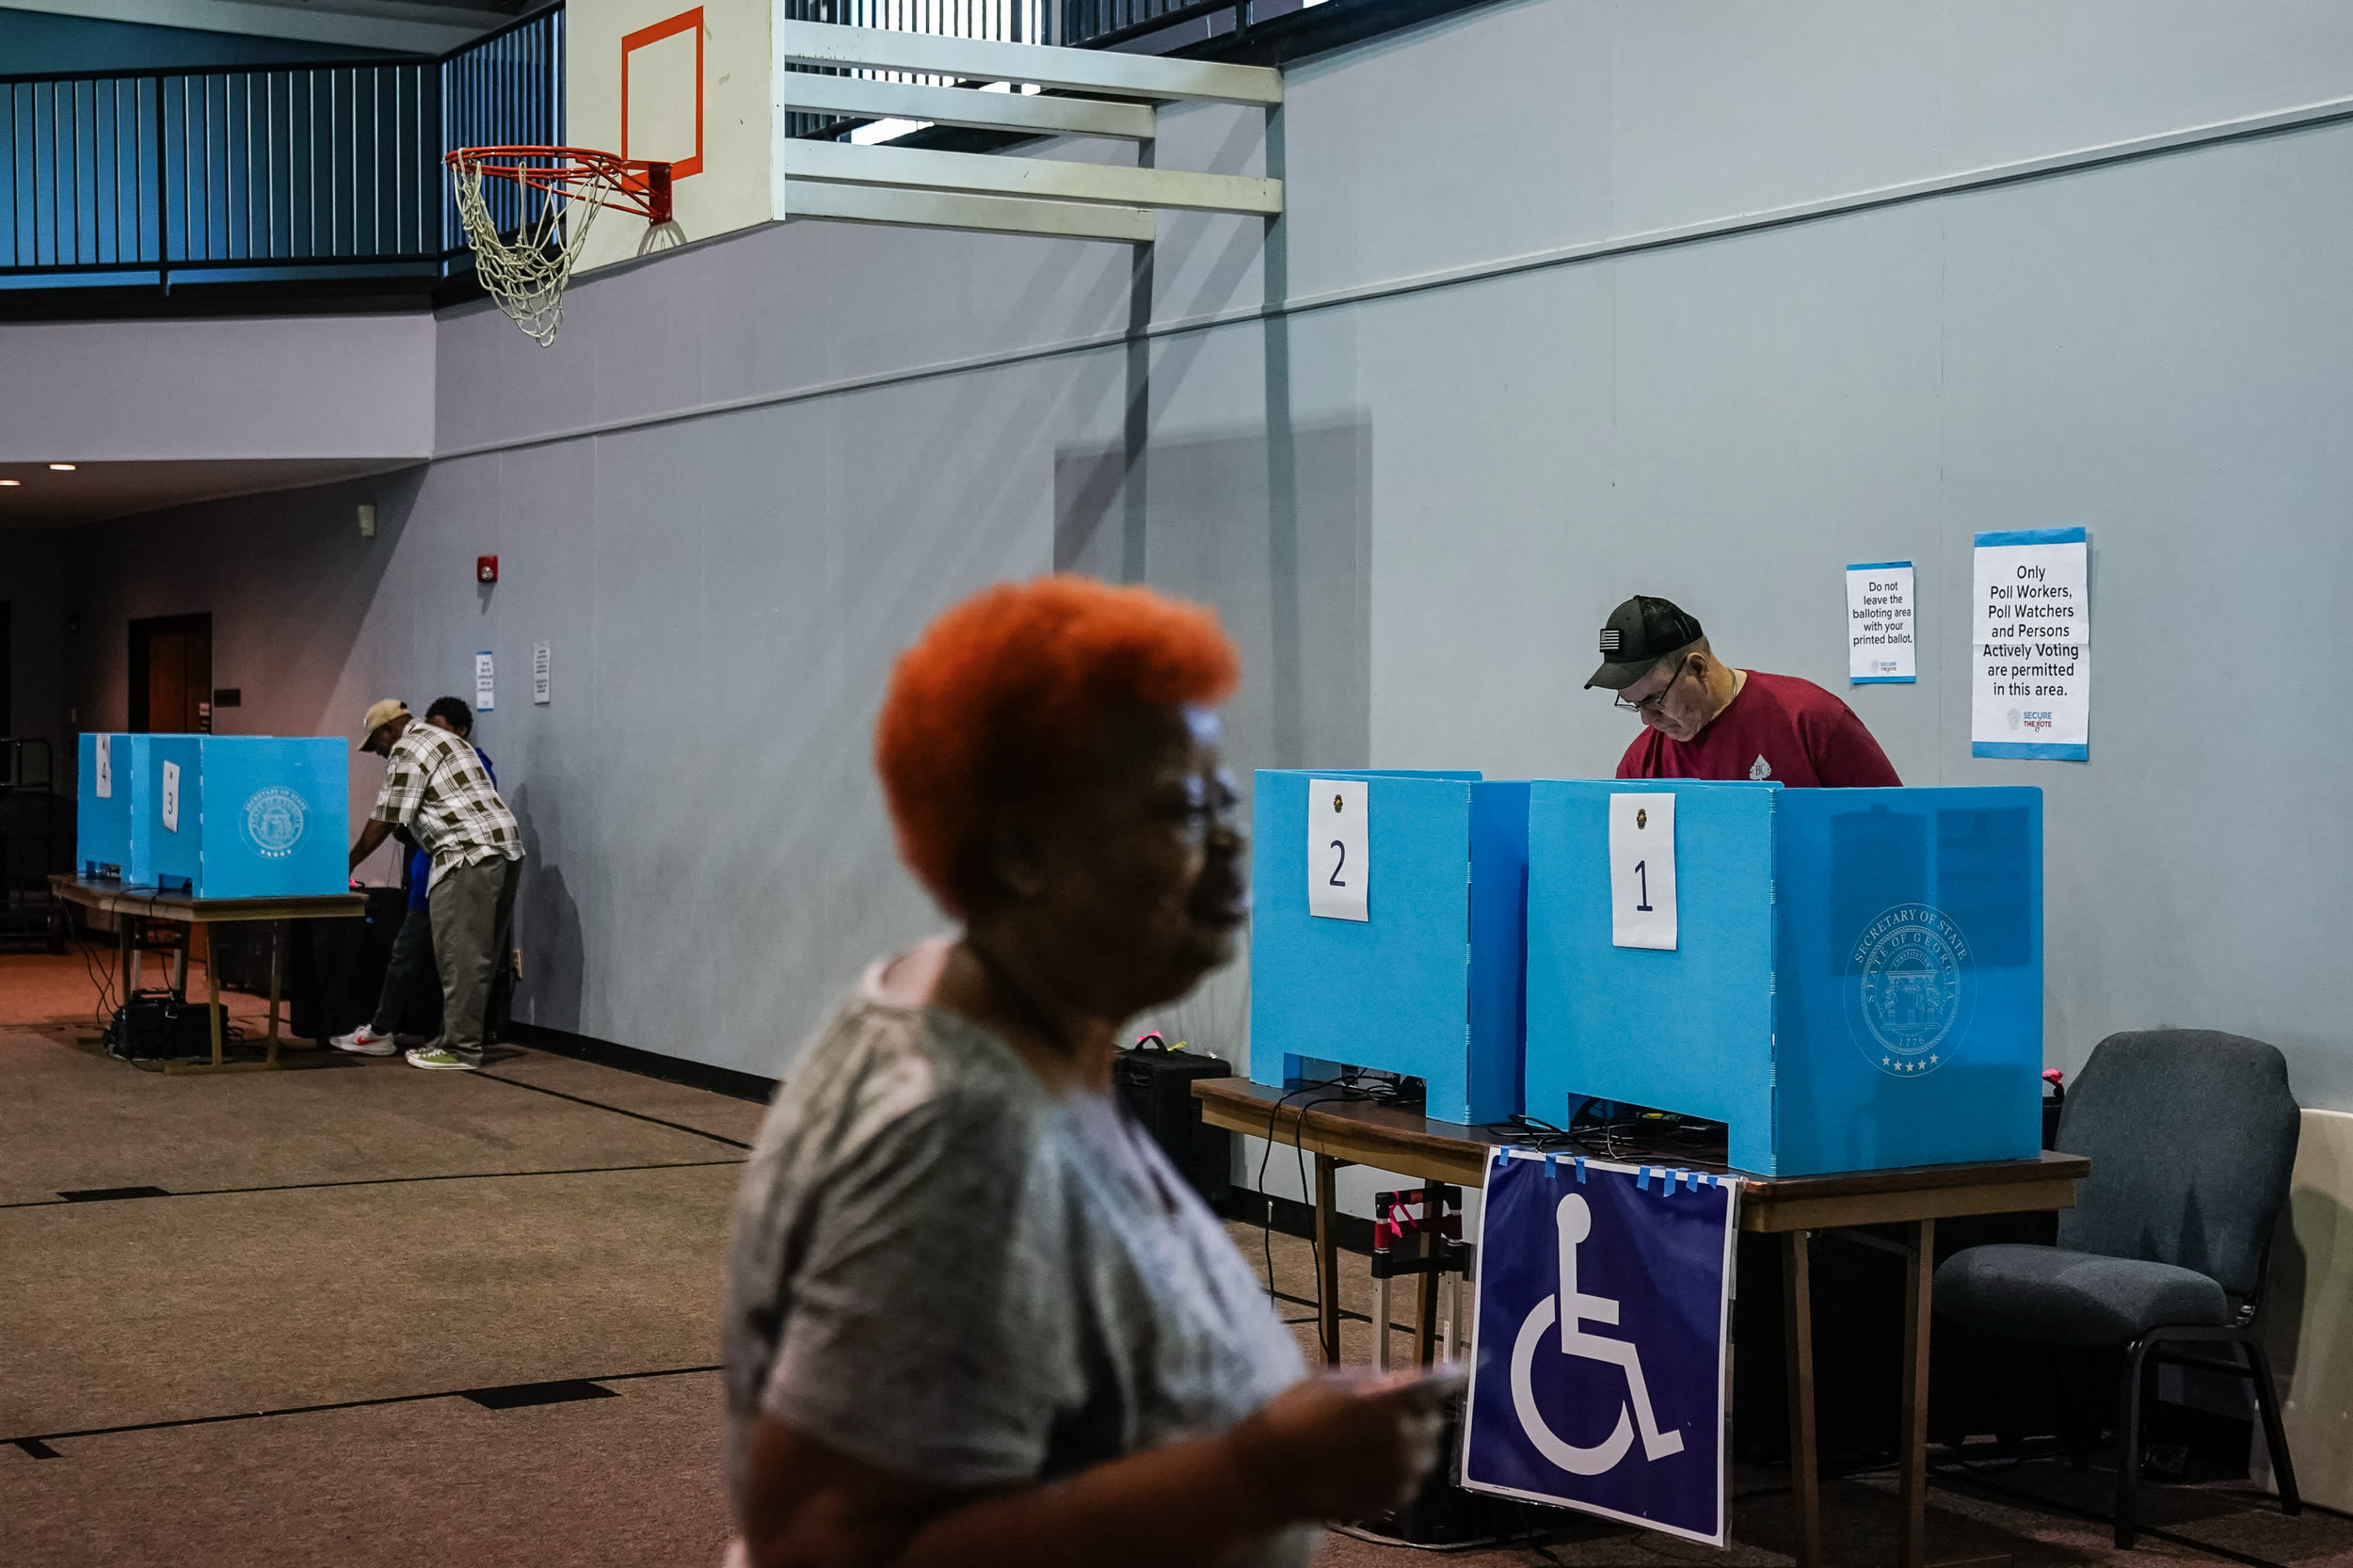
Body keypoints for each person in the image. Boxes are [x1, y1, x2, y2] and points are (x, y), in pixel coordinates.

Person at [721, 577, 1447, 1568]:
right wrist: (1257, 1478)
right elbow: (825, 1549)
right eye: (1183, 810)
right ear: (1024, 848)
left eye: (1225, 802)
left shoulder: (1033, 1039)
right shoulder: (950, 1138)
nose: (1233, 844)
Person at [344, 697, 523, 1071]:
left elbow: (386, 818)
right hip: (504, 849)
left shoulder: (407, 747)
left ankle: (460, 1049)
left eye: (375, 744)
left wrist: (346, 863)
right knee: (480, 955)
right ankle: (454, 1038)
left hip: (466, 855)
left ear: (387, 730)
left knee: (459, 956)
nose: (377, 753)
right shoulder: (449, 740)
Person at [1587, 595, 1901, 787]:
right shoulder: (1639, 765)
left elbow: (1895, 829)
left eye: (1655, 699)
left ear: (1697, 667)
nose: (1647, 720)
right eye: (1634, 704)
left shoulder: (1810, 720)